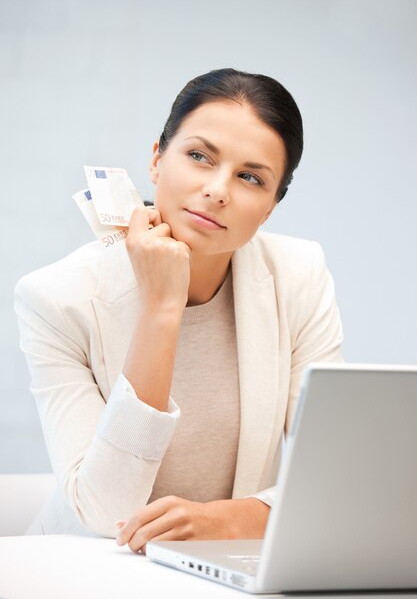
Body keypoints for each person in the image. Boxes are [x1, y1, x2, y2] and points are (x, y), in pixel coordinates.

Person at [15, 68, 343, 552]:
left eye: (250, 177)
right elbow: (107, 510)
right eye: (198, 157)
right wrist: (161, 309)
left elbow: (335, 472)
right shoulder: (56, 299)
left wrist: (229, 522)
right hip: (84, 566)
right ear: (156, 159)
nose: (218, 190)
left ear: (271, 206)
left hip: (225, 569)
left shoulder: (298, 275)